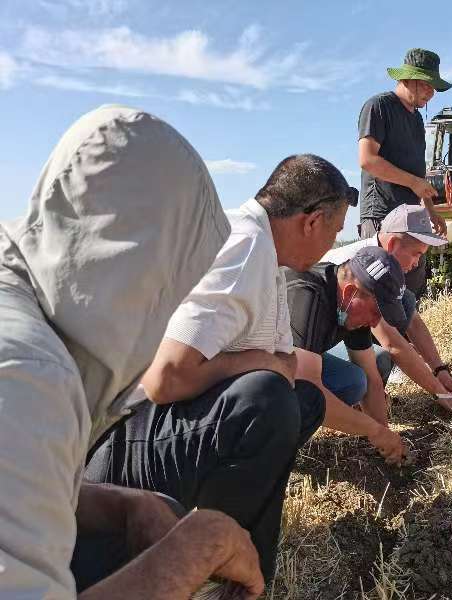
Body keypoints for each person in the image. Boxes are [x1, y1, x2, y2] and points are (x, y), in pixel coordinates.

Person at [0, 105, 263, 599]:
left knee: (151, 512)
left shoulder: (30, 316)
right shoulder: (26, 373)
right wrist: (196, 550)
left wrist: (123, 505)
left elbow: (23, 486)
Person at [85, 155, 357, 583]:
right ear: (312, 221)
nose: (333, 244)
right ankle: (229, 568)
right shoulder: (243, 249)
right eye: (335, 231)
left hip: (159, 428)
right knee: (266, 402)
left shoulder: (267, 255)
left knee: (302, 401)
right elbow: (165, 378)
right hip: (120, 445)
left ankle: (233, 551)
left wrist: (271, 366)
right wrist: (260, 363)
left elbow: (288, 364)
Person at [322, 204, 452, 411]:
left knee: (405, 302)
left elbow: (413, 321)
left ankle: (369, 394)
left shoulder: (384, 265)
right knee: (375, 362)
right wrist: (440, 393)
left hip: (344, 331)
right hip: (312, 344)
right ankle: (352, 401)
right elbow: (391, 343)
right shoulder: (362, 267)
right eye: (416, 254)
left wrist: (440, 370)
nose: (417, 263)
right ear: (393, 244)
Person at [286, 247, 409, 461]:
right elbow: (307, 387)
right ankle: (274, 452)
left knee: (354, 380)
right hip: (249, 367)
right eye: (375, 312)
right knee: (304, 399)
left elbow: (371, 378)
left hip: (296, 360)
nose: (375, 323)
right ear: (350, 292)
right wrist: (373, 430)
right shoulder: (307, 295)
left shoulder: (350, 306)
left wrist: (384, 435)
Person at [358, 47, 452, 297]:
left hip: (411, 219)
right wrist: (412, 183)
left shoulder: (417, 120)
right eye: (427, 85)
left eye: (434, 87)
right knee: (380, 291)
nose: (431, 93)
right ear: (407, 79)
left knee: (410, 290)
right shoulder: (379, 106)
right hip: (382, 216)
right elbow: (367, 159)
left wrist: (431, 212)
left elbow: (418, 176)